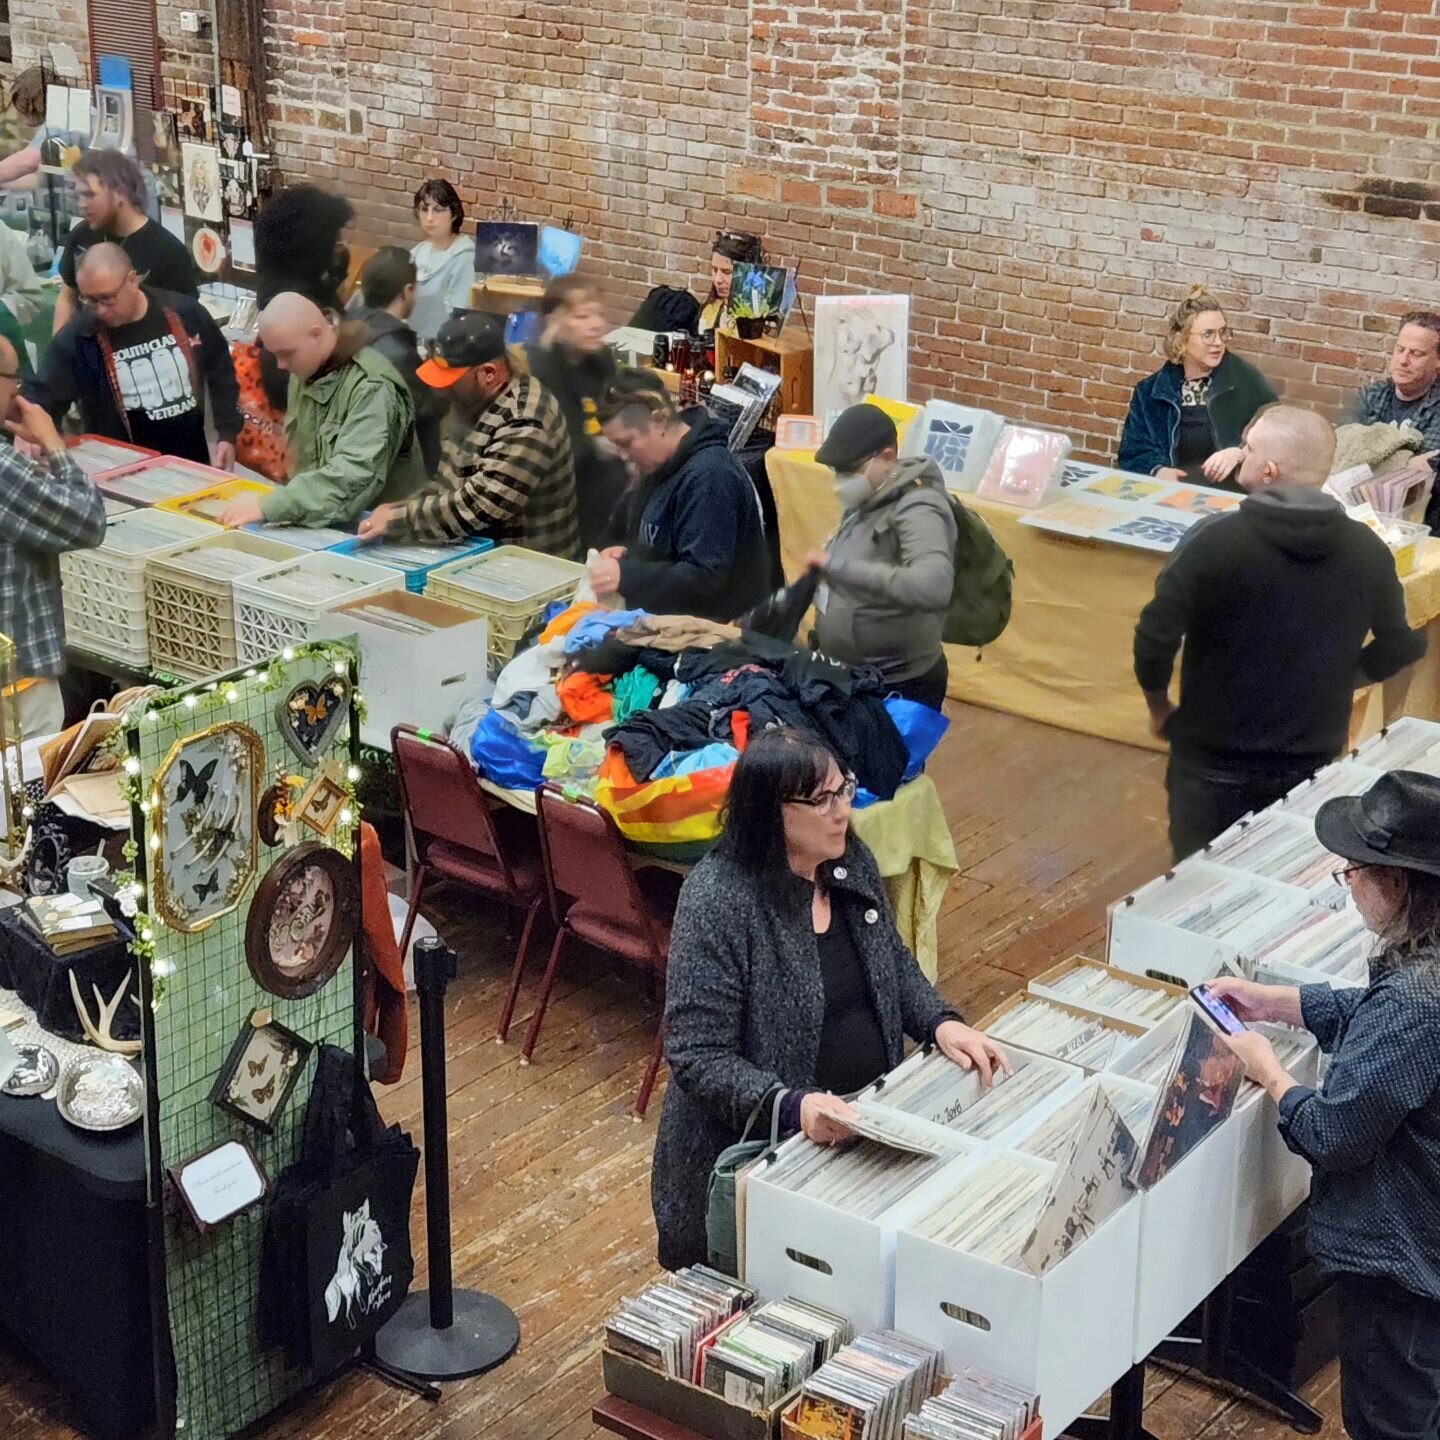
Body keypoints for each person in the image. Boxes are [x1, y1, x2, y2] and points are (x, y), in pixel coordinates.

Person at [651, 727, 1008, 1270]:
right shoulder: (718, 899)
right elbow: (697, 1055)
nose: (842, 811)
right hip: (761, 1160)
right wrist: (792, 1107)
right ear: (771, 811)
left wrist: (939, 1022)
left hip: (857, 1135)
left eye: (845, 790)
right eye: (822, 800)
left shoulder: (847, 861)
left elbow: (890, 960)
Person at [1210, 769, 1440, 1440]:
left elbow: (1336, 1132)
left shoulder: (1415, 1002)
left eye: (1354, 872)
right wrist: (1286, 1003)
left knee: (1391, 1423)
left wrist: (1270, 1073)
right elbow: (1384, 1029)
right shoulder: (1421, 975)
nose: (1349, 883)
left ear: (1396, 882)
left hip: (1404, 1270)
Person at [1134, 405, 1426, 861]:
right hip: (1311, 757)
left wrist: (1159, 707)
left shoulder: (1214, 540)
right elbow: (1400, 645)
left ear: (1268, 470)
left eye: (1247, 449)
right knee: (1280, 870)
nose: (1241, 455)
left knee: (1199, 880)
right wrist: (1340, 681)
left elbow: (1154, 637)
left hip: (1214, 761)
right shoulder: (1368, 551)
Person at [356, 312, 581, 558]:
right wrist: (401, 508)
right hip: (480, 552)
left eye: (450, 380)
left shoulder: (525, 420)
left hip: (529, 566)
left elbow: (479, 507)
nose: (439, 388)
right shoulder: (469, 402)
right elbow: (448, 483)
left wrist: (398, 520)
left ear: (488, 373)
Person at [219, 293, 426, 529]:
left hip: (380, 533)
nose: (280, 365)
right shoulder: (308, 369)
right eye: (275, 354)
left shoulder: (372, 388)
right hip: (326, 523)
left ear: (317, 334)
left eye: (286, 353)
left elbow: (353, 477)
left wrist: (271, 506)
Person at [27, 243, 241, 470]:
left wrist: (227, 434)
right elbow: (42, 395)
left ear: (132, 280)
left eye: (107, 298)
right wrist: (33, 433)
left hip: (191, 463)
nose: (99, 310)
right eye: (89, 300)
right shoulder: (80, 337)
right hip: (118, 470)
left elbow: (222, 371)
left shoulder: (184, 312)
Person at [805, 404, 957, 709]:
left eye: (849, 471)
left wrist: (843, 569)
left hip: (898, 688)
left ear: (886, 458)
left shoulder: (920, 508)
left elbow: (935, 584)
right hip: (853, 678)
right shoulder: (867, 498)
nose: (840, 481)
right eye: (836, 472)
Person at [593, 376, 768, 621]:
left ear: (659, 421)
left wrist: (628, 576)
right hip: (665, 621)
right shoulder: (655, 466)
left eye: (627, 443)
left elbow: (705, 579)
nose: (623, 456)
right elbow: (647, 542)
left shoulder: (710, 478)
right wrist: (624, 555)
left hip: (714, 635)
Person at [0, 338, 107, 737]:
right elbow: (88, 521)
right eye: (14, 381)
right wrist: (54, 444)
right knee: (29, 795)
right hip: (16, 687)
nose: (18, 392)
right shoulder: (2, 471)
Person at [1117, 286, 1279, 488]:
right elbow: (1132, 452)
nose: (1218, 342)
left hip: (1231, 500)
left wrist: (1240, 451)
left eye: (1222, 333)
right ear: (1182, 340)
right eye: (1208, 334)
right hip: (1171, 496)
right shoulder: (1151, 392)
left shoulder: (1246, 382)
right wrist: (1158, 471)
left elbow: (1277, 432)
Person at [525, 275, 627, 549]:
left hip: (604, 485)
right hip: (557, 497)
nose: (596, 325)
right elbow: (566, 445)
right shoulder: (540, 367)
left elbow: (618, 413)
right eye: (582, 316)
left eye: (599, 314)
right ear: (554, 320)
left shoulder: (600, 359)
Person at [52, 150, 198, 334]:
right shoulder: (81, 235)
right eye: (79, 196)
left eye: (89, 195)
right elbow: (68, 296)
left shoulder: (167, 252)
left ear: (119, 193)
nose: (82, 204)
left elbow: (187, 318)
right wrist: (59, 352)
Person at [354, 246, 446, 474]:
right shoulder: (397, 351)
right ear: (407, 291)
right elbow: (423, 410)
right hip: (391, 470)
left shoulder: (348, 328)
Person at [1347, 311, 1440, 501]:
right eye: (1400, 349)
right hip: (1362, 511)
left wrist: (1369, 461)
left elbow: (1428, 474)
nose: (1403, 360)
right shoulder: (1371, 395)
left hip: (1420, 522)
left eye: (1416, 354)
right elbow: (1344, 454)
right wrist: (1406, 462)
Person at [409, 178, 475, 345]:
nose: (430, 217)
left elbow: (457, 312)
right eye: (424, 209)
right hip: (410, 337)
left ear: (454, 214)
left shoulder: (465, 256)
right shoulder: (418, 252)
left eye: (438, 210)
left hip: (442, 343)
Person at [697, 231, 765, 339]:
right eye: (714, 270)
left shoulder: (761, 321)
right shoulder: (710, 309)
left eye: (727, 272)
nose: (718, 279)